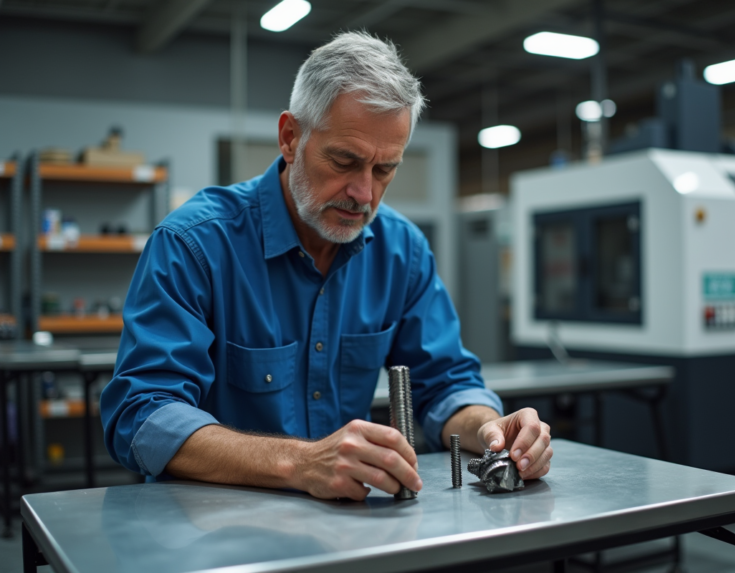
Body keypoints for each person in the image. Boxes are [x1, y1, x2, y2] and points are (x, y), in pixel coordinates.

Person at [101, 31, 552, 501]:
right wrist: (300, 463)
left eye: (384, 170)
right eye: (344, 161)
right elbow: (142, 416)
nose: (364, 193)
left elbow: (445, 383)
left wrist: (490, 429)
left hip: (344, 522)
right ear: (290, 138)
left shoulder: (402, 251)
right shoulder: (194, 244)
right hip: (209, 526)